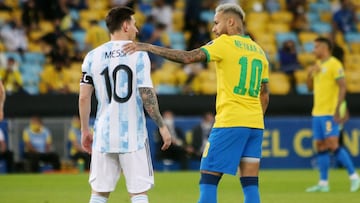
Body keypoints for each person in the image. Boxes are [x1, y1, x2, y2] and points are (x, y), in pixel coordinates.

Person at [124, 3, 270, 203]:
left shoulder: (225, 43)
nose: (214, 29)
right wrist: (253, 118)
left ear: (231, 21)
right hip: (255, 125)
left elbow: (187, 57)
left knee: (208, 179)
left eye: (216, 23)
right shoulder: (259, 51)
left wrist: (148, 47)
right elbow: (265, 95)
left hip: (230, 121)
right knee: (250, 183)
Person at [78, 6, 172, 203]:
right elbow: (147, 94)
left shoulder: (92, 56)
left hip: (103, 134)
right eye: (135, 25)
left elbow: (84, 98)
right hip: (133, 134)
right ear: (126, 25)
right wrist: (162, 126)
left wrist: (85, 130)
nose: (137, 30)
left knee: (99, 193)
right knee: (138, 193)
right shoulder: (138, 54)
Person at [305, 37, 360, 192]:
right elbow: (310, 88)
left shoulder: (334, 64)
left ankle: (354, 177)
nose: (313, 50)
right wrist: (309, 74)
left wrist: (338, 108)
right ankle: (323, 183)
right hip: (317, 112)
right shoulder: (316, 65)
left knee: (333, 144)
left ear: (324, 48)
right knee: (320, 146)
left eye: (315, 47)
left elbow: (343, 86)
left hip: (330, 112)